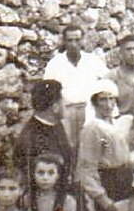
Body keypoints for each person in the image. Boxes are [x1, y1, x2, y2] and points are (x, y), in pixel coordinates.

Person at [77, 79, 134, 211]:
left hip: (124, 183)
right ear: (95, 102)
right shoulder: (91, 129)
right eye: (103, 99)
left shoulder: (116, 124)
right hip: (108, 185)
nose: (108, 104)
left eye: (112, 99)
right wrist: (103, 199)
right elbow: (87, 168)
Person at [43, 23, 109, 154]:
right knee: (68, 147)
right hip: (66, 111)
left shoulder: (93, 61)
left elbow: (107, 84)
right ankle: (69, 174)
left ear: (83, 41)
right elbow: (48, 91)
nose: (74, 44)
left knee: (90, 146)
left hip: (90, 109)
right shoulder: (55, 63)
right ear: (64, 42)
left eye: (77, 40)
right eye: (70, 40)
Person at [13, 79, 73, 186]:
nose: (66, 103)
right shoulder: (31, 137)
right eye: (62, 100)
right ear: (55, 107)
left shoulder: (56, 124)